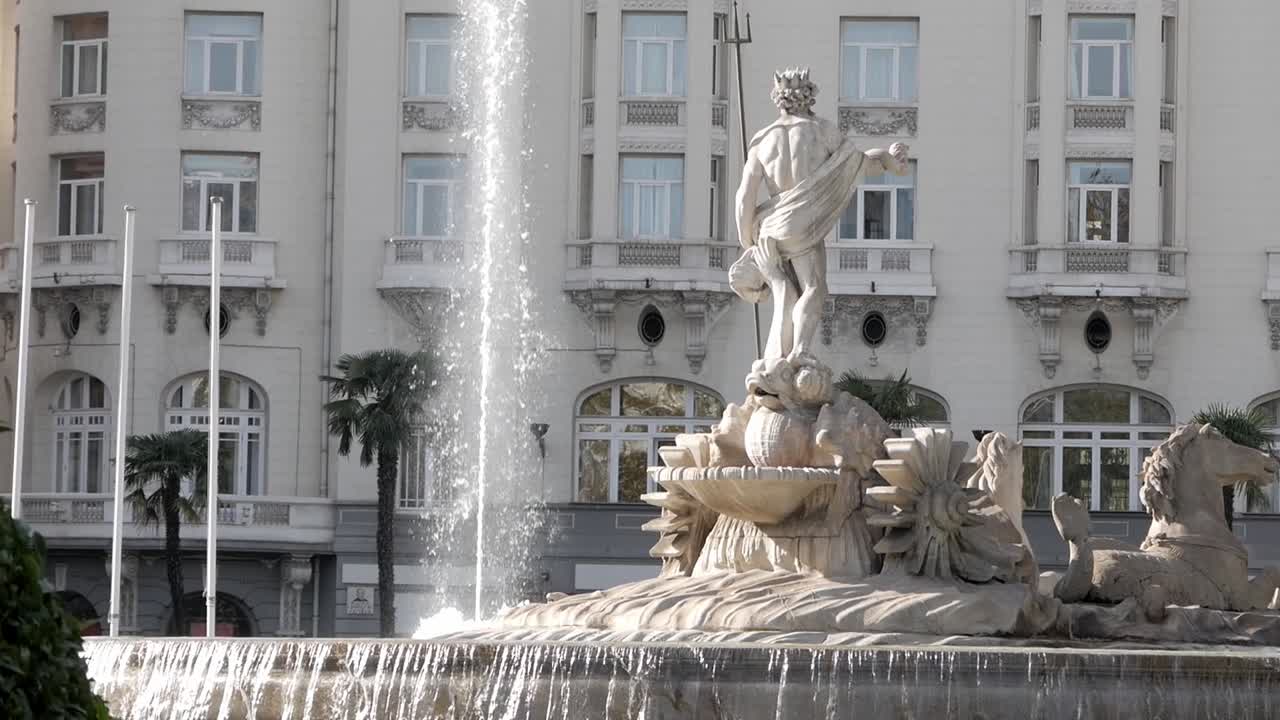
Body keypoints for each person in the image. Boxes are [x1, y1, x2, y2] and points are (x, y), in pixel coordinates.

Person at [732, 68, 910, 362]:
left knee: (784, 289)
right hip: (802, 224)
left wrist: (747, 242)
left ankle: (780, 359)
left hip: (770, 228)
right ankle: (799, 352)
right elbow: (863, 164)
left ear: (779, 100)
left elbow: (743, 198)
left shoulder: (762, 141)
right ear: (809, 97)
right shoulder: (821, 131)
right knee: (813, 287)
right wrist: (894, 161)